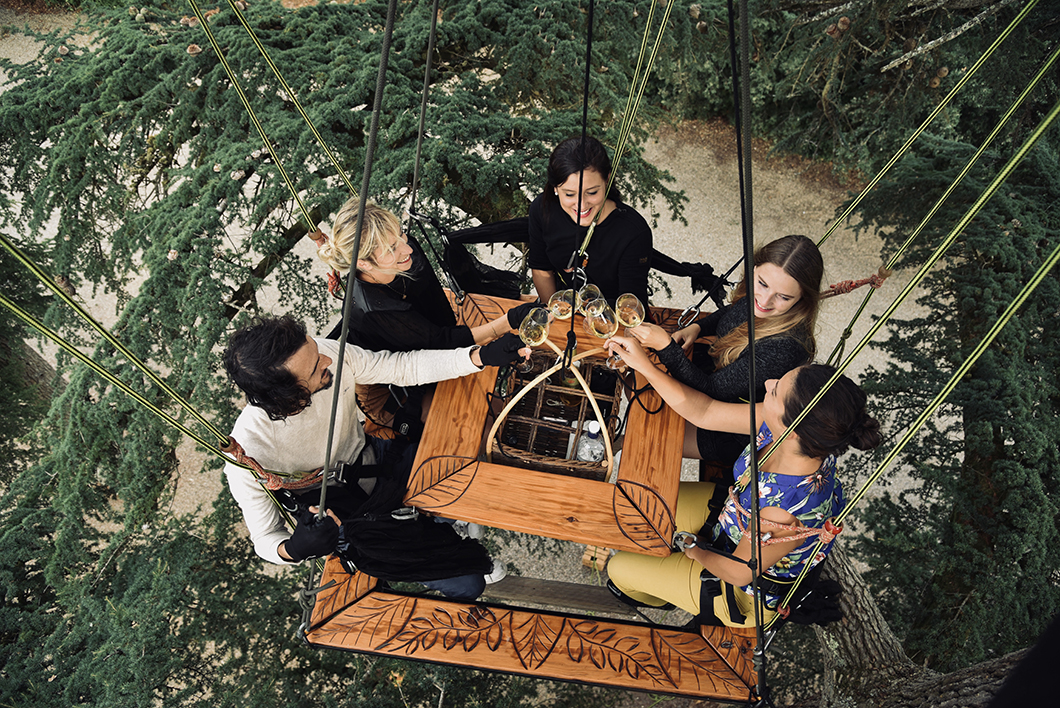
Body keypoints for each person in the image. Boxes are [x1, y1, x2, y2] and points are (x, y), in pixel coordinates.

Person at [222, 315, 527, 600]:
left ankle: (443, 516)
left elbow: (401, 367)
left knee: (475, 461)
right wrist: (294, 549)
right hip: (350, 517)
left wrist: (479, 357)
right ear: (286, 396)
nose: (328, 360)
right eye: (315, 368)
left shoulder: (323, 355)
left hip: (378, 463)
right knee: (469, 585)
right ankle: (439, 523)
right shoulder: (248, 454)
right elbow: (265, 538)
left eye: (317, 351)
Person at [601, 340, 881, 628]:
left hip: (741, 590)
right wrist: (645, 366)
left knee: (619, 568)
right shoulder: (792, 431)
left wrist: (694, 550)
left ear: (793, 430)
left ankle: (665, 594)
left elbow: (738, 572)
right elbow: (705, 411)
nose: (769, 384)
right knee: (633, 501)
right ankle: (665, 566)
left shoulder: (785, 509)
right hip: (731, 519)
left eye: (775, 391)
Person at [316, 199, 536, 431]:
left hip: (425, 339)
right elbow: (437, 344)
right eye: (391, 249)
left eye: (401, 234)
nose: (407, 248)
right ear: (364, 264)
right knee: (471, 424)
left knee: (495, 400)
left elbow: (438, 313)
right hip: (387, 383)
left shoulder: (405, 254)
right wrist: (507, 322)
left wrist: (482, 336)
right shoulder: (375, 309)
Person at [629, 234, 823, 473]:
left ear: (803, 298)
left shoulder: (784, 348)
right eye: (762, 283)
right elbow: (734, 312)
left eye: (783, 297)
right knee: (638, 393)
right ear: (754, 269)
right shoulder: (760, 302)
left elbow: (711, 390)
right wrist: (698, 327)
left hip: (727, 429)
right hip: (711, 377)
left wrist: (665, 346)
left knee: (644, 437)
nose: (764, 300)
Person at [527, 136, 653, 307]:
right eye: (569, 194)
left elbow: (631, 304)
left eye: (592, 192)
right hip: (563, 307)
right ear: (555, 187)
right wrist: (553, 313)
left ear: (607, 180)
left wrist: (590, 314)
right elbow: (542, 270)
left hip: (611, 316)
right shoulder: (543, 209)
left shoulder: (633, 232)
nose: (581, 205)